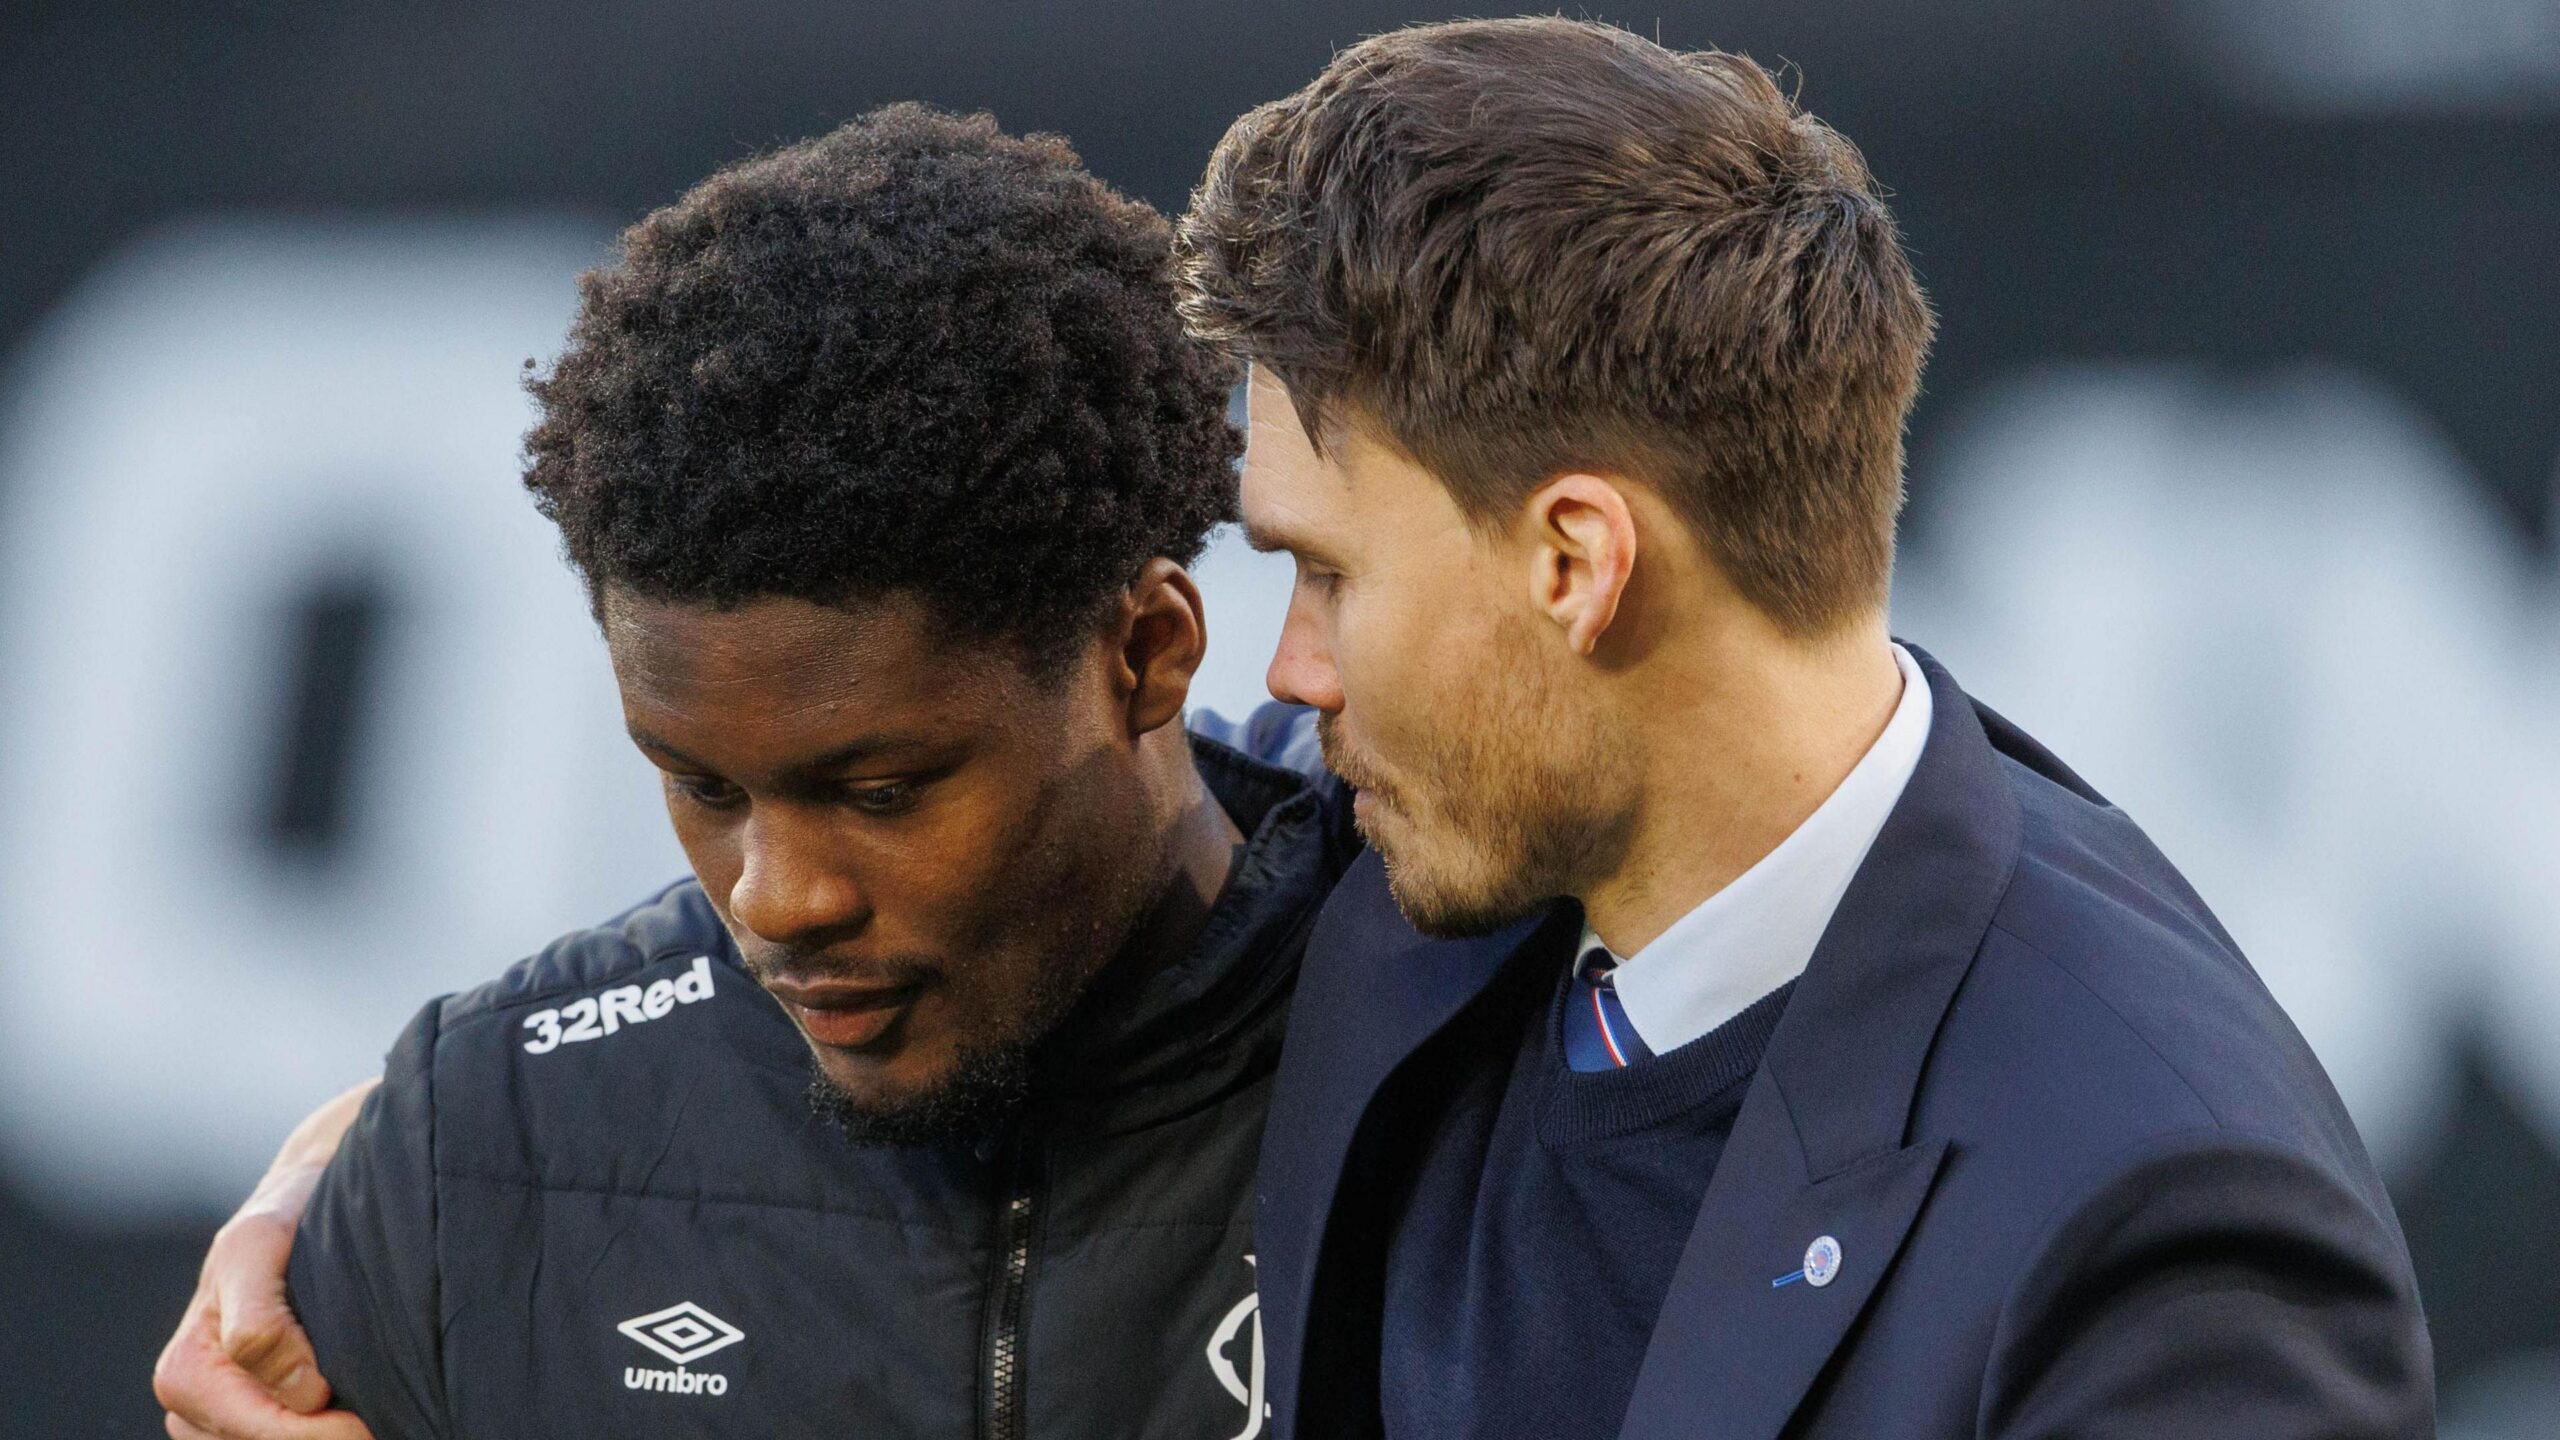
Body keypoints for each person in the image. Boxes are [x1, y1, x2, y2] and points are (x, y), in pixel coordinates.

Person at [1173, 16, 2434, 1439]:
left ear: (1577, 564)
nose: (1291, 672)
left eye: (1327, 575)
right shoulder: (1370, 860)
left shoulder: (2158, 1232)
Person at [154, 103, 1356, 1440]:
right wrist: (423, 1144)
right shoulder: (487, 1145)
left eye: (882, 793)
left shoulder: (1467, 1036)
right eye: (704, 787)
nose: (776, 901)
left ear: (1146, 653)